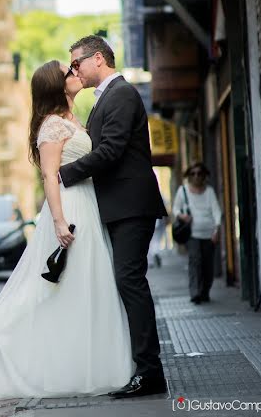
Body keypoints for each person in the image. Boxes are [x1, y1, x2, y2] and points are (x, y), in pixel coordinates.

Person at [0, 60, 133, 414]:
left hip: (88, 206)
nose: (75, 74)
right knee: (52, 288)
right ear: (56, 85)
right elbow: (49, 177)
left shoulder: (72, 119)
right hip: (69, 209)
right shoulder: (51, 126)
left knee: (87, 288)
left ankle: (90, 365)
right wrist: (58, 222)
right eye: (68, 72)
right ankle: (1, 338)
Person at [59, 35, 168, 399]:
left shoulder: (121, 94)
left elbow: (111, 150)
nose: (75, 70)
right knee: (124, 283)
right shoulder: (106, 98)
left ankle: (150, 372)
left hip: (131, 205)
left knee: (129, 282)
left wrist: (66, 173)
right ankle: (138, 366)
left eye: (77, 63)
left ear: (99, 59)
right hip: (118, 206)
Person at [172, 162, 221, 304]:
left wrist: (217, 230)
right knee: (195, 261)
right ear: (188, 176)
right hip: (192, 234)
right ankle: (195, 293)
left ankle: (205, 292)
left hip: (209, 234)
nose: (196, 176)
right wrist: (182, 216)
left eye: (199, 173)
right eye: (193, 173)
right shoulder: (183, 191)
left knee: (207, 265)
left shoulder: (209, 191)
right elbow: (175, 209)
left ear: (205, 175)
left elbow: (217, 212)